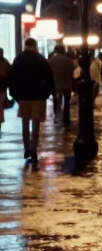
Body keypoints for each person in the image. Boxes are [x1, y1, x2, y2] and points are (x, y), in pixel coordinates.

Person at [8, 37, 54, 168]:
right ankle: (34, 150)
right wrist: (46, 93)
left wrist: (15, 95)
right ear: (35, 46)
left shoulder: (18, 59)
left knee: (25, 122)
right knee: (36, 123)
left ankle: (26, 148)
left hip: (23, 97)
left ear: (25, 45)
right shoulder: (41, 59)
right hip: (38, 96)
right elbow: (49, 77)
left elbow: (12, 78)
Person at [48, 43, 75, 126]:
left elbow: (48, 71)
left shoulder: (51, 60)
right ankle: (66, 118)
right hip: (67, 83)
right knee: (67, 102)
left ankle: (56, 116)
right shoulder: (69, 60)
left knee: (56, 100)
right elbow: (72, 71)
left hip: (55, 83)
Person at [0, 46, 11, 134]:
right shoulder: (5, 62)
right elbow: (9, 75)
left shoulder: (5, 63)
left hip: (2, 89)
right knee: (0, 110)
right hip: (2, 89)